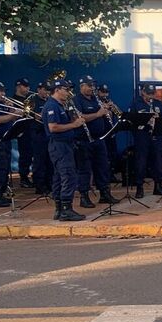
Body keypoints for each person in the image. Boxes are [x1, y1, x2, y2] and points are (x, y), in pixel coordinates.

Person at [41, 79, 86, 221]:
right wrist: (74, 125)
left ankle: (60, 209)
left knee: (59, 177)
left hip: (65, 144)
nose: (68, 92)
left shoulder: (60, 105)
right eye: (66, 89)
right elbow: (53, 127)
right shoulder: (52, 106)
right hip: (59, 145)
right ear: (57, 89)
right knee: (68, 175)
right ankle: (66, 209)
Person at [73, 76, 120, 209]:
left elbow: (102, 115)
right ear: (81, 86)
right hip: (84, 140)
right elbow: (79, 118)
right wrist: (98, 114)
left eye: (93, 85)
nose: (91, 88)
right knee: (85, 170)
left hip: (99, 139)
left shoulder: (96, 99)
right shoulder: (76, 100)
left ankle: (105, 194)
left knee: (102, 167)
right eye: (88, 85)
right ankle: (84, 197)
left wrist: (108, 113)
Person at [129, 84, 162, 198]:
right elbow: (131, 121)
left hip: (156, 136)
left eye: (152, 93)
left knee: (158, 161)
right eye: (148, 93)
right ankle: (139, 187)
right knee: (141, 162)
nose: (150, 96)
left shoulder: (158, 103)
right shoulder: (136, 103)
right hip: (142, 136)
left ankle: (158, 185)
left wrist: (158, 119)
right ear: (142, 92)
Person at [29, 82, 54, 195]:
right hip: (38, 133)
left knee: (50, 160)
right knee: (40, 161)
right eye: (45, 90)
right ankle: (40, 185)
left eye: (48, 90)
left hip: (48, 134)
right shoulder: (33, 100)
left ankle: (50, 184)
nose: (47, 92)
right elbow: (35, 116)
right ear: (39, 89)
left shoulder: (49, 100)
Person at [96, 84, 122, 184]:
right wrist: (104, 108)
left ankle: (111, 175)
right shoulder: (96, 103)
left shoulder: (109, 102)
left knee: (112, 155)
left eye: (106, 92)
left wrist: (114, 108)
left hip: (111, 132)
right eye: (102, 92)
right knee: (103, 156)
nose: (105, 94)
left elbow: (119, 114)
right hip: (102, 133)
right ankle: (102, 177)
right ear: (98, 92)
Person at [11, 78, 35, 188]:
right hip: (22, 131)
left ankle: (35, 176)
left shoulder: (28, 99)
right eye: (25, 86)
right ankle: (24, 178)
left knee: (33, 154)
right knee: (25, 155)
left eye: (28, 86)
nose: (28, 88)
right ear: (18, 86)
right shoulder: (12, 100)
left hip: (32, 129)